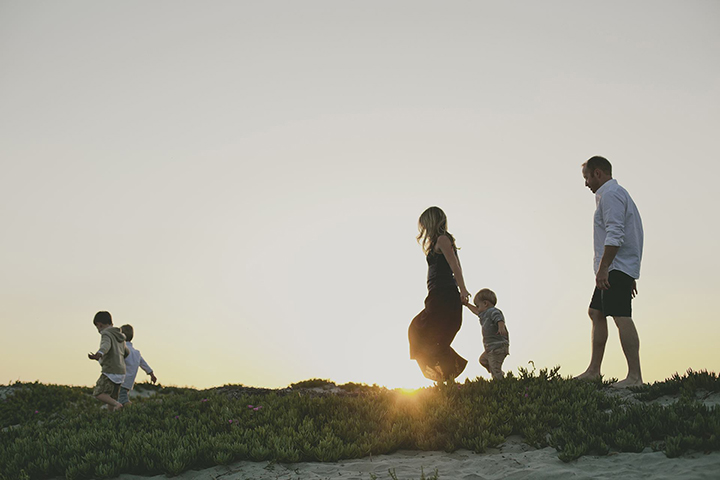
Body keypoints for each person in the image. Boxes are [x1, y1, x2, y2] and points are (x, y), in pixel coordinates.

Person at [576, 156, 644, 388]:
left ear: (597, 173)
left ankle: (635, 377)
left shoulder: (611, 195)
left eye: (586, 177)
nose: (585, 183)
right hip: (617, 266)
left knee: (621, 315)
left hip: (614, 267)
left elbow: (616, 233)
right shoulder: (613, 194)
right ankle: (594, 370)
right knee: (596, 312)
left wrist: (606, 268)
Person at [408, 206, 470, 382]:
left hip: (444, 295)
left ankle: (448, 378)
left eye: (425, 224)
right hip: (436, 296)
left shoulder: (443, 239)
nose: (423, 229)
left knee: (429, 336)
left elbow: (455, 265)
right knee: (422, 333)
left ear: (432, 221)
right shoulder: (437, 241)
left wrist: (463, 289)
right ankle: (446, 379)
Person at [463, 288, 509, 379]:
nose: (477, 308)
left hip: (498, 347)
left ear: (485, 303)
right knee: (483, 360)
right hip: (490, 348)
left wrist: (501, 327)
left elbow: (499, 319)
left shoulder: (493, 311)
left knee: (495, 369)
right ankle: (497, 372)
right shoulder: (483, 314)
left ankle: (500, 382)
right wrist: (467, 304)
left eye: (478, 306)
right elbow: (476, 311)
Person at [87, 311, 129, 411]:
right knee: (111, 396)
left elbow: (105, 345)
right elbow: (126, 352)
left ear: (99, 324)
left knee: (98, 393)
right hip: (121, 372)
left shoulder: (106, 334)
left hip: (110, 370)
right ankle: (111, 417)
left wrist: (99, 354)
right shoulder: (120, 336)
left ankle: (117, 404)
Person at [118, 324, 157, 405]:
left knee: (122, 400)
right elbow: (144, 364)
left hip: (120, 380)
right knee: (119, 400)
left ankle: (134, 410)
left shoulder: (122, 349)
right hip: (129, 382)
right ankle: (118, 414)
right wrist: (151, 374)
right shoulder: (136, 353)